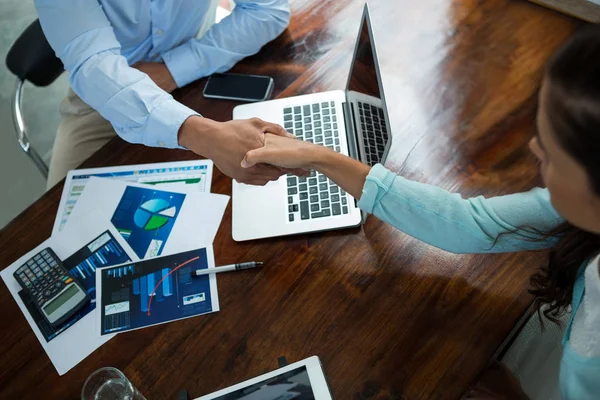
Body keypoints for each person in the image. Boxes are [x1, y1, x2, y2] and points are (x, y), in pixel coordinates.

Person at [239, 26, 600, 398]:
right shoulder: (564, 211)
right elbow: (467, 223)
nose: (534, 149)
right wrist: (318, 156)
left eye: (552, 153)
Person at [35, 0, 293, 188]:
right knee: (60, 213)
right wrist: (201, 134)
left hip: (195, 65)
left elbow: (268, 10)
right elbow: (93, 65)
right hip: (102, 93)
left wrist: (174, 69)